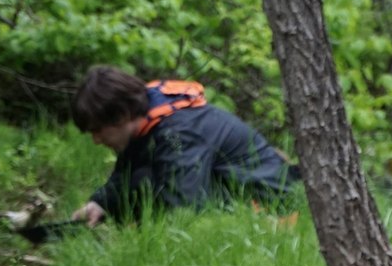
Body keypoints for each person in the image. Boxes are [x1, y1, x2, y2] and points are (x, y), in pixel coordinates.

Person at [70, 66, 299, 226]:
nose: (96, 140)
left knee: (151, 186)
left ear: (121, 116)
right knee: (143, 179)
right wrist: (100, 203)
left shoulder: (176, 136)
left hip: (272, 208)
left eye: (98, 130)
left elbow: (185, 207)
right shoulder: (149, 118)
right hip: (239, 194)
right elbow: (129, 172)